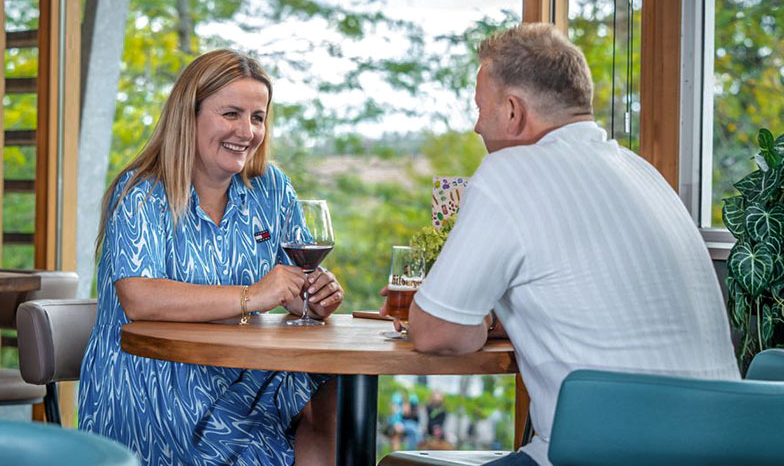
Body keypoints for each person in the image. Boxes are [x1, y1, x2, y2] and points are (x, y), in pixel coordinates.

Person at [385, 24, 740, 466]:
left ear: (513, 111)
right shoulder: (643, 172)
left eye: (480, 108)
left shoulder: (511, 172)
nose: (477, 125)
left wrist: (472, 323)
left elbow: (434, 332)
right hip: (725, 449)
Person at [79, 50, 344, 466]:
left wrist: (311, 295)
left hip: (243, 373)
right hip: (154, 387)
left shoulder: (271, 187)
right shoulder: (141, 192)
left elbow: (295, 280)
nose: (247, 131)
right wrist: (254, 294)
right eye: (232, 114)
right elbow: (140, 297)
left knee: (333, 389)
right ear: (191, 115)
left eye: (258, 117)